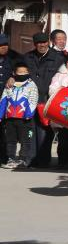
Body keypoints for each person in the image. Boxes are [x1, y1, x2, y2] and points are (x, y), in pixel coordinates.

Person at [23, 31, 64, 168]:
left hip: (47, 100)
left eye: (44, 42)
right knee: (30, 130)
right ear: (35, 44)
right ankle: (30, 159)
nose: (42, 45)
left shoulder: (58, 58)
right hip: (30, 100)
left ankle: (43, 160)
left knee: (44, 131)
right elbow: (18, 72)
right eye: (39, 43)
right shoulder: (27, 57)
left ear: (48, 42)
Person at [1, 63, 37, 168]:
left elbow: (33, 100)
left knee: (25, 141)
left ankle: (23, 160)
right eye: (20, 72)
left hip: (24, 119)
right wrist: (0, 114)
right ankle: (11, 159)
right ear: (14, 73)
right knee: (10, 141)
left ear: (28, 72)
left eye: (25, 72)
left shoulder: (31, 85)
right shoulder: (10, 84)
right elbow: (3, 100)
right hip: (10, 118)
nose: (22, 74)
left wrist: (29, 114)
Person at [0, 35, 19, 166]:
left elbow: (23, 72)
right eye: (1, 45)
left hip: (8, 101)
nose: (4, 47)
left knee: (6, 132)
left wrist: (14, 77)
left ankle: (4, 158)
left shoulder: (15, 58)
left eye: (6, 45)